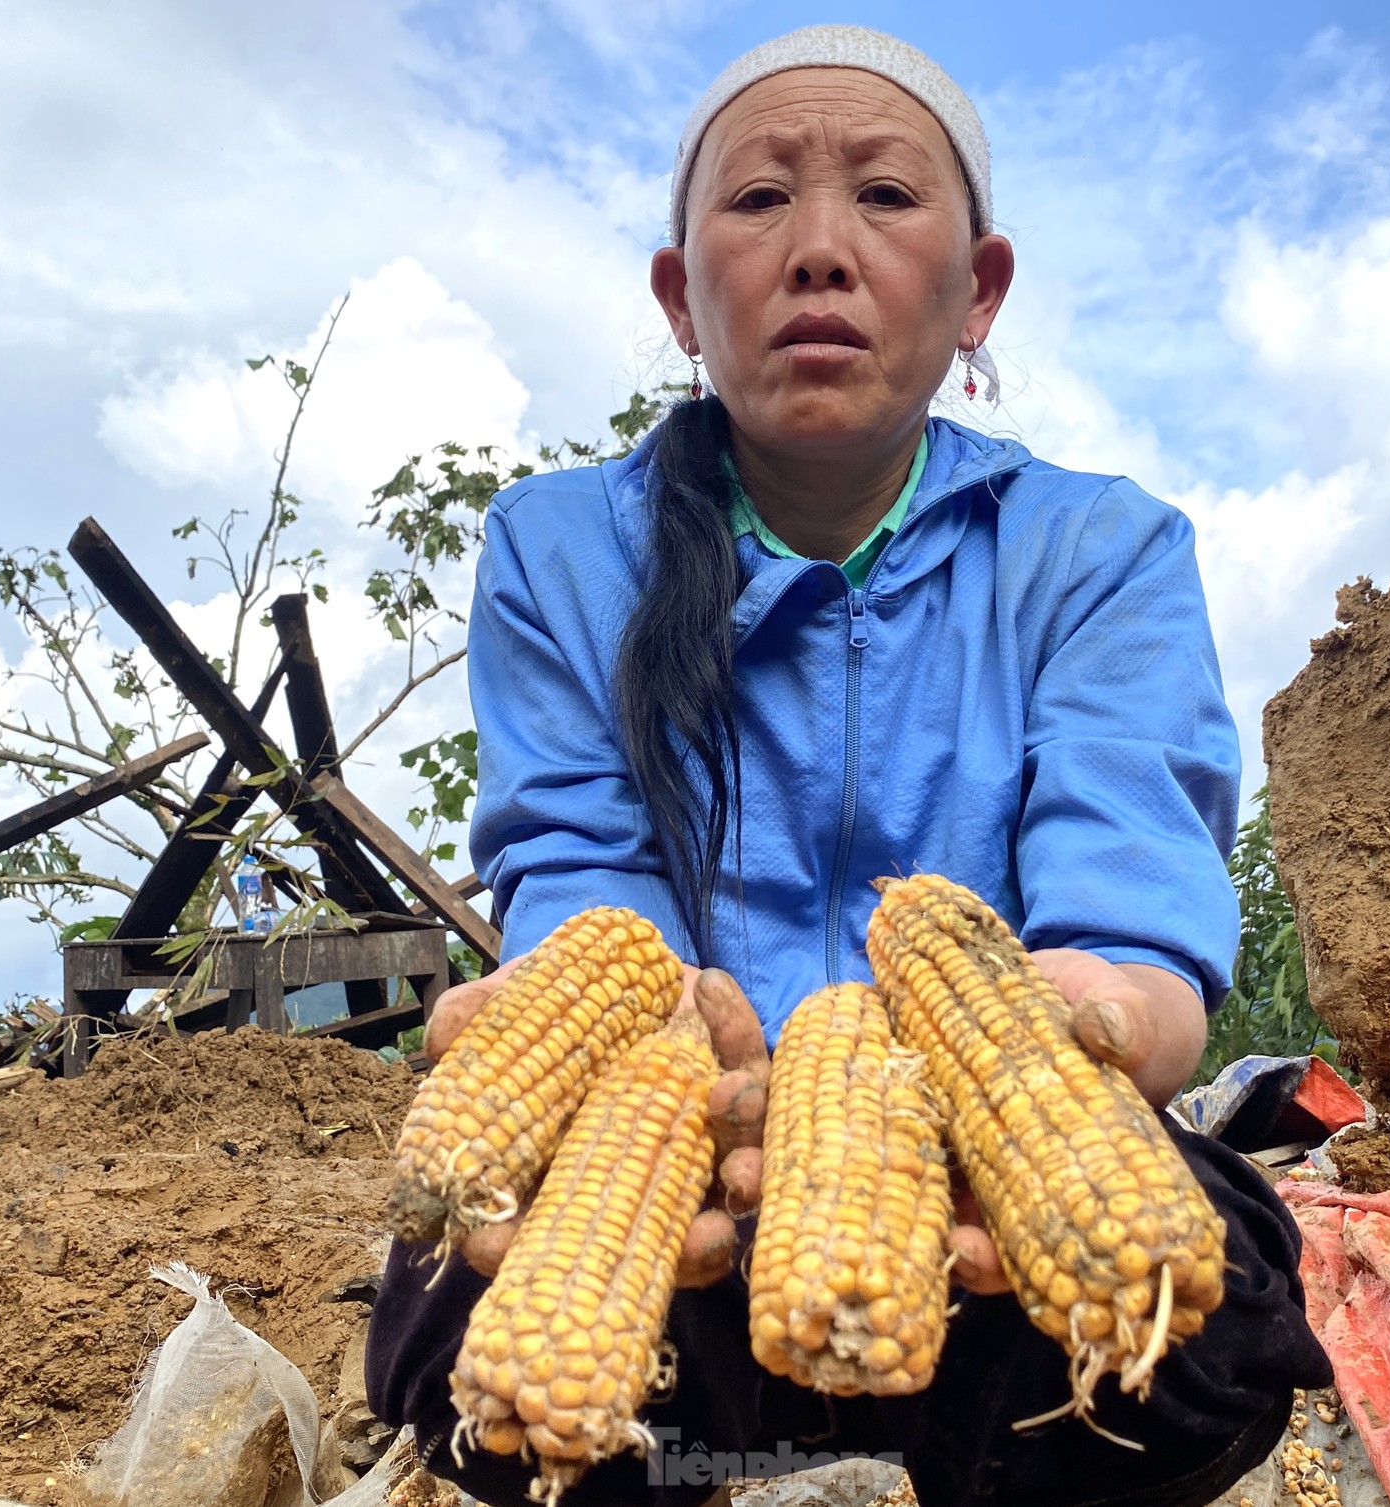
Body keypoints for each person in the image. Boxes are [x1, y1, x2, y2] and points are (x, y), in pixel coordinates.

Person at [368, 24, 1332, 1507]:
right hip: (681, 1123)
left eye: (883, 198)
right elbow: (581, 868)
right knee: (450, 1359)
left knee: (1208, 1345)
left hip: (970, 1141)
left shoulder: (1098, 549)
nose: (819, 249)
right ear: (681, 301)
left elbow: (1124, 888)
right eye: (758, 202)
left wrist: (1078, 1033)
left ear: (976, 292)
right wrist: (600, 1045)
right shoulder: (555, 550)